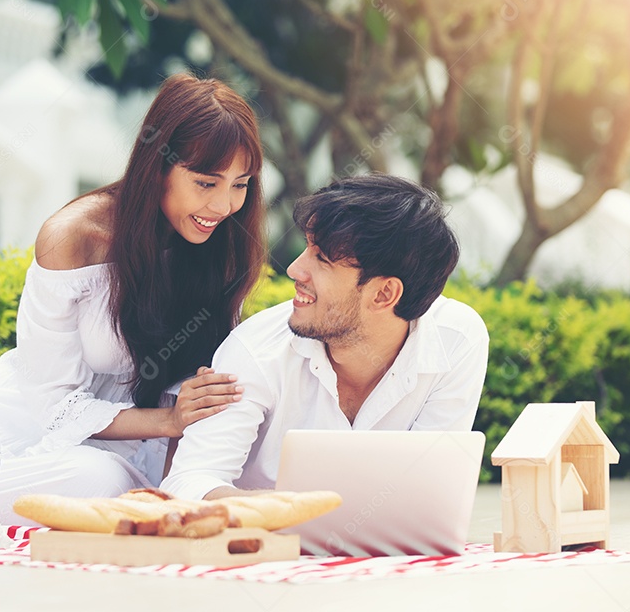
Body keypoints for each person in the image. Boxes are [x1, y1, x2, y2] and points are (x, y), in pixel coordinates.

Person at [0, 74, 266, 523]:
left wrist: (181, 488)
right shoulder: (74, 238)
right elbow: (55, 407)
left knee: (126, 487)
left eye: (240, 185)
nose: (223, 207)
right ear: (159, 166)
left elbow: (198, 406)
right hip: (21, 428)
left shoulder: (222, 246)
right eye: (206, 183)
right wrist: (168, 422)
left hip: (128, 456)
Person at [160, 174, 488, 500]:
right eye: (307, 248)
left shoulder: (456, 341)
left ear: (384, 293)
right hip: (268, 543)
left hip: (388, 548)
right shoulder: (255, 350)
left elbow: (427, 488)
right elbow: (189, 482)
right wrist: (296, 510)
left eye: (322, 259)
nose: (294, 270)